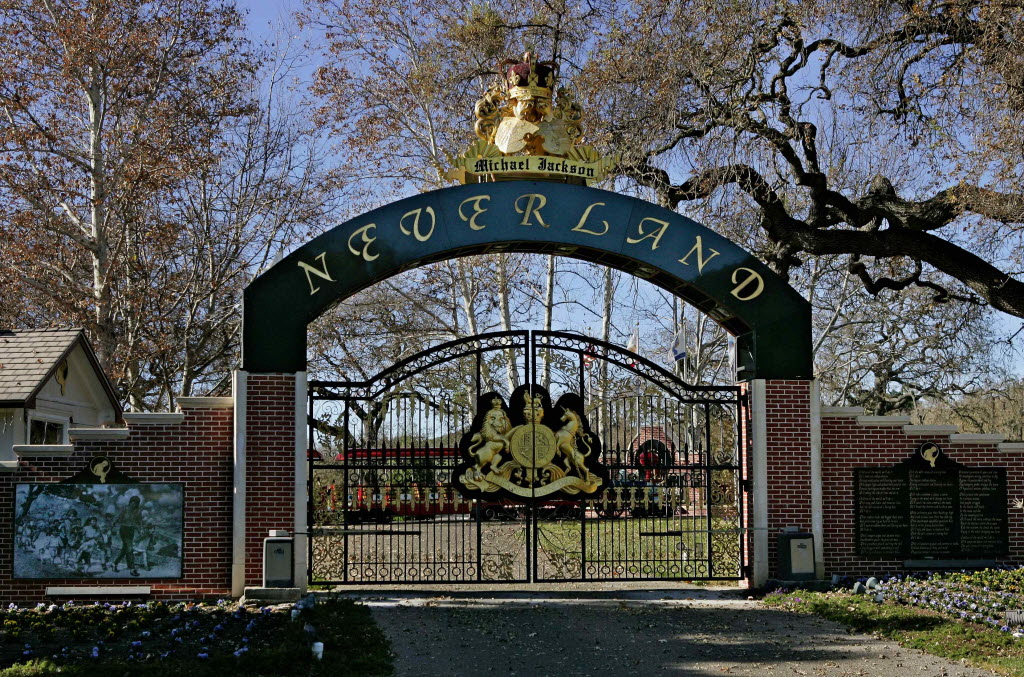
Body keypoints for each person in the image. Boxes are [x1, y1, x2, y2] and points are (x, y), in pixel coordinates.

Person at [111, 495, 143, 576]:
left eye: (136, 503)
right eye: (133, 502)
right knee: (130, 548)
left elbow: (139, 521)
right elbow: (118, 517)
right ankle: (132, 569)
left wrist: (140, 530)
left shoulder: (138, 511)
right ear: (130, 502)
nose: (134, 504)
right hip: (124, 529)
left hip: (131, 531)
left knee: (125, 549)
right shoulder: (125, 508)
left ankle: (114, 564)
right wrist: (113, 525)